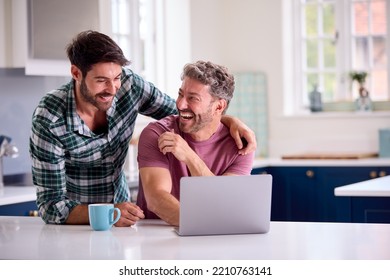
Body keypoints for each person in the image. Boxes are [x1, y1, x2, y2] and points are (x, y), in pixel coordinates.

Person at [29, 30, 256, 227]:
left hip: (123, 221)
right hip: (76, 224)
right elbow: (51, 206)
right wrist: (108, 213)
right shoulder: (50, 118)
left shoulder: (129, 85)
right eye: (101, 80)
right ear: (76, 73)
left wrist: (227, 119)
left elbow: (183, 113)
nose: (112, 88)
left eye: (116, 77)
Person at [136, 60, 255, 226]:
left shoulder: (241, 146)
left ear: (219, 106)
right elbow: (156, 199)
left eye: (193, 98)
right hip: (158, 237)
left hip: (211, 238)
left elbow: (225, 202)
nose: (180, 104)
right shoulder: (157, 133)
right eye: (180, 94)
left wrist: (190, 157)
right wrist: (202, 225)